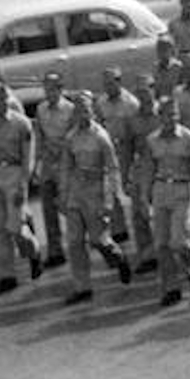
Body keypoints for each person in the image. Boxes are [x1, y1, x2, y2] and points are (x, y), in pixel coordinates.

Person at [58, 92, 130, 304]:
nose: (83, 114)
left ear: (92, 112)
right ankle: (82, 286)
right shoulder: (71, 137)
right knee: (74, 241)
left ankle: (118, 257)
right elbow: (66, 166)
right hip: (75, 192)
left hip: (96, 191)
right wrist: (63, 193)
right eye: (79, 111)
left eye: (86, 110)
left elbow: (112, 169)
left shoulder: (101, 137)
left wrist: (110, 200)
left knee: (99, 240)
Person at [0, 85, 41, 295]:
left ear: (8, 100)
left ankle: (34, 251)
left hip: (14, 173)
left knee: (15, 227)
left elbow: (27, 158)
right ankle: (6, 275)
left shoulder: (21, 124)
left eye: (2, 99)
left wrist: (24, 184)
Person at [142, 97, 190, 308]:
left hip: (182, 189)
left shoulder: (189, 138)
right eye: (167, 114)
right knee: (161, 243)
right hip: (160, 189)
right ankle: (171, 288)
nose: (171, 118)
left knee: (179, 241)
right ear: (159, 116)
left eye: (174, 114)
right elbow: (148, 168)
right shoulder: (152, 140)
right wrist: (144, 196)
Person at [33, 74, 74, 270]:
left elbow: (74, 137)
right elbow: (39, 138)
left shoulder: (70, 109)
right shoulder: (41, 110)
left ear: (60, 89)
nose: (49, 93)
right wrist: (37, 165)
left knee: (70, 207)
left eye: (52, 89)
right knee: (48, 208)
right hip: (49, 163)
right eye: (46, 89)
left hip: (66, 161)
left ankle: (80, 241)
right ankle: (55, 251)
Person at [94, 67, 139, 242]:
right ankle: (120, 231)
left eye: (111, 83)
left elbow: (136, 132)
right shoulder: (101, 103)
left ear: (119, 82)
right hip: (109, 151)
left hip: (127, 149)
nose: (107, 87)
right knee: (112, 191)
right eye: (105, 83)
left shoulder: (131, 103)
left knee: (130, 189)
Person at [124, 75, 160, 275]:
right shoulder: (132, 119)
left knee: (167, 211)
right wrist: (124, 174)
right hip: (141, 167)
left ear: (153, 90)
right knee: (139, 215)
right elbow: (127, 148)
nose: (143, 95)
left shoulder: (163, 112)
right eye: (139, 92)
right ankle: (147, 255)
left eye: (146, 90)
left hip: (165, 165)